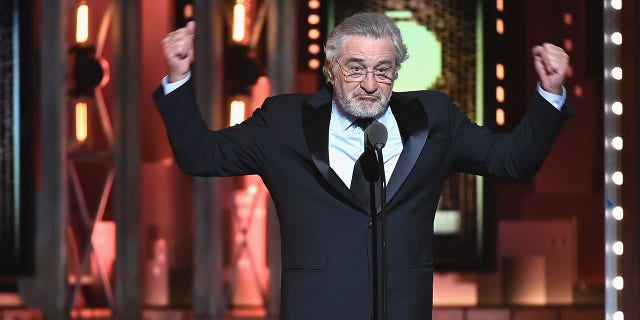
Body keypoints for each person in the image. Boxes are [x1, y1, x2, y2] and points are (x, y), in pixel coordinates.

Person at [154, 12, 572, 320]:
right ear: (331, 69)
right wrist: (178, 77)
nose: (370, 84)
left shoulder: (435, 119)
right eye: (355, 69)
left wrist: (549, 94)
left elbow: (513, 160)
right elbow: (201, 155)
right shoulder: (283, 123)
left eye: (382, 70)